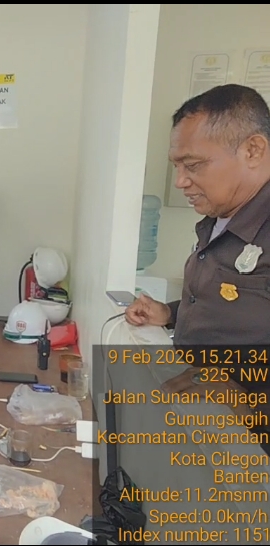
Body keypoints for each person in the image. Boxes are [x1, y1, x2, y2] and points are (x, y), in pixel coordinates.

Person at [124, 84, 270, 430]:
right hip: (197, 419)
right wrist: (170, 313)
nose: (180, 182)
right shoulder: (217, 220)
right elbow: (233, 306)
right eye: (177, 166)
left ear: (253, 150)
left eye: (193, 165)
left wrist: (244, 399)